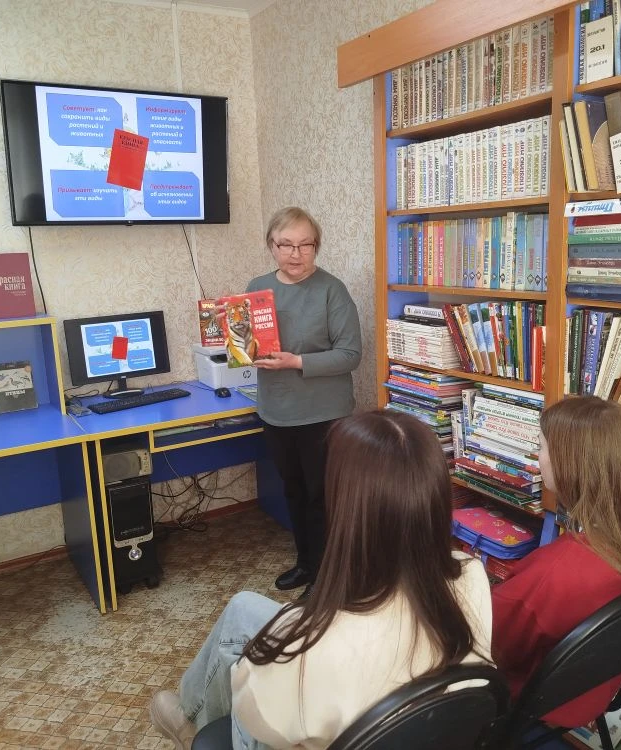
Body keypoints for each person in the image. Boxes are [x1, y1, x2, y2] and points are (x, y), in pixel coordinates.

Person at [148, 410, 493, 750]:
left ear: (345, 511)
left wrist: (249, 669)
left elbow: (256, 720)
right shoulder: (472, 574)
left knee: (238, 679)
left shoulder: (308, 645)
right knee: (242, 608)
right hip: (434, 731)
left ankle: (191, 727)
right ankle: (188, 713)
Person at [489, 396, 621, 728]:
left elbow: (489, 645)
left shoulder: (554, 572)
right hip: (591, 695)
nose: (537, 456)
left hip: (531, 705)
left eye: (541, 446)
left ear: (567, 463)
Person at [247, 207, 362, 593]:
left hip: (323, 415)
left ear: (316, 246)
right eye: (286, 245)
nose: (295, 254)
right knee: (293, 492)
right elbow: (250, 344)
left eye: (304, 245)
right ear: (271, 245)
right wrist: (237, 348)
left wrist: (295, 362)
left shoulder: (332, 290)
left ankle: (327, 576)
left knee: (322, 499)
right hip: (276, 411)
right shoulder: (257, 288)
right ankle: (306, 564)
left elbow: (350, 355)